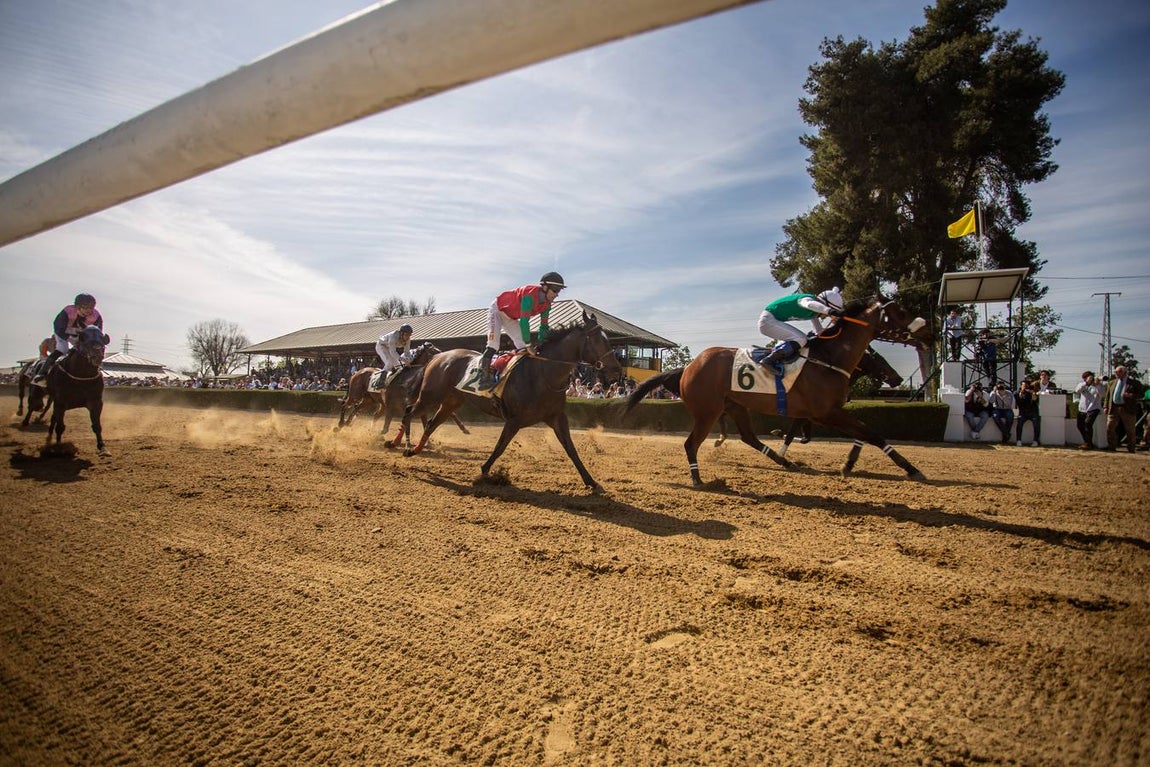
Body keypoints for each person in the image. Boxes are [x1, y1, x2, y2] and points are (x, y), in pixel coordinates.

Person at [478, 272, 566, 387]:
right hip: (497, 310)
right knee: (494, 344)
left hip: (511, 317)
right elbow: (524, 322)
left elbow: (544, 326)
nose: (557, 294)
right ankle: (483, 377)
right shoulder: (529, 295)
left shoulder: (547, 305)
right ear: (545, 287)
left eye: (559, 291)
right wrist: (529, 345)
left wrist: (543, 344)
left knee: (522, 346)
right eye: (555, 290)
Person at [757, 287, 845, 369]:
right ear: (824, 304)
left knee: (803, 339)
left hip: (770, 321)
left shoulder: (814, 313)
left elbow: (819, 331)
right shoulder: (807, 300)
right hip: (767, 322)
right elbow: (809, 304)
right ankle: (768, 361)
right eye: (827, 315)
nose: (826, 317)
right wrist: (829, 311)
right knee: (801, 339)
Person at [31, 293, 104, 385]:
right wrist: (69, 337)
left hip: (81, 334)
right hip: (63, 331)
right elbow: (58, 327)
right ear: (77, 306)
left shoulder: (96, 315)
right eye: (86, 308)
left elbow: (98, 332)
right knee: (62, 349)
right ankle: (42, 374)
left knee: (89, 350)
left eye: (91, 308)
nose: (89, 310)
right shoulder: (68, 311)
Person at [1103, 365, 1142, 453]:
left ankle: (1131, 448)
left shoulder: (1134, 383)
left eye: (1119, 371)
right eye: (1116, 372)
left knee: (1130, 429)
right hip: (1113, 408)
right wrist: (1105, 406)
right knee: (1110, 428)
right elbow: (1107, 396)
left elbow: (1141, 394)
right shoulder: (1111, 383)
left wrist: (1131, 395)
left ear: (1125, 373)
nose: (1116, 373)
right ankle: (1111, 446)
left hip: (1127, 408)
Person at [374, 324, 414, 389]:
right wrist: (404, 360)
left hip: (389, 348)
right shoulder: (393, 337)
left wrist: (410, 360)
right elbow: (393, 352)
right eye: (406, 335)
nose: (408, 337)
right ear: (401, 333)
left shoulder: (408, 340)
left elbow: (407, 352)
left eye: (409, 335)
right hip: (381, 346)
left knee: (398, 366)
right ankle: (379, 382)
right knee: (389, 363)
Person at [1074, 371, 1102, 449]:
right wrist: (1086, 383)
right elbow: (1077, 390)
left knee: (1088, 423)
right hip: (1082, 408)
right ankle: (1087, 442)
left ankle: (1088, 443)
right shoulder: (1081, 384)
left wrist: (1098, 384)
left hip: (1094, 407)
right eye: (1086, 378)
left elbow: (1101, 393)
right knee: (1080, 425)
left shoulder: (1097, 385)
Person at [987, 380, 1015, 445]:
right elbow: (991, 401)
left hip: (1007, 409)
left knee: (1010, 417)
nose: (1001, 388)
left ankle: (1005, 436)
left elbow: (1009, 404)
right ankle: (1006, 433)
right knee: (995, 416)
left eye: (1002, 386)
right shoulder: (994, 393)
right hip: (997, 409)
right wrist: (994, 393)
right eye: (999, 387)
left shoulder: (1009, 393)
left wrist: (1003, 396)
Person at [1015, 379, 1040, 446]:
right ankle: (1018, 440)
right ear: (1021, 386)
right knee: (1019, 424)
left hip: (1033, 411)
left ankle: (1035, 441)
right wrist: (1021, 393)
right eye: (1024, 385)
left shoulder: (1032, 392)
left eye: (1026, 386)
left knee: (1036, 423)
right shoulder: (1017, 393)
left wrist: (1032, 393)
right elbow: (1018, 401)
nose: (1025, 387)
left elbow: (1035, 400)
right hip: (1023, 412)